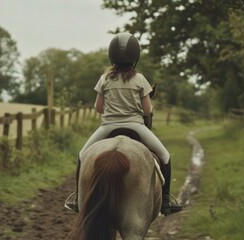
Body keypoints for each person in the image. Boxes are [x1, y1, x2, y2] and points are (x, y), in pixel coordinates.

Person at [65, 32, 182, 216]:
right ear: (135, 57)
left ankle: (78, 199)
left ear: (111, 56)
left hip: (107, 126)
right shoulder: (140, 79)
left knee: (82, 156)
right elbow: (146, 110)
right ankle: (166, 201)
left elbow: (98, 107)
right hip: (136, 126)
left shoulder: (104, 79)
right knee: (165, 156)